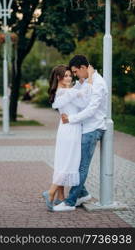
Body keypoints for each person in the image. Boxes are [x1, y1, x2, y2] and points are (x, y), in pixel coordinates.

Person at [53, 55, 108, 212]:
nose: (75, 75)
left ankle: (70, 202)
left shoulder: (99, 83)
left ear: (84, 68)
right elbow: (72, 94)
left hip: (93, 128)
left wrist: (70, 119)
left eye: (76, 72)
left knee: (81, 167)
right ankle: (83, 194)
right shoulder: (84, 81)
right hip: (82, 128)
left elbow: (91, 109)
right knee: (75, 164)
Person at [42, 64, 94, 211]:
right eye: (66, 75)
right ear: (59, 77)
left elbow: (77, 98)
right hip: (71, 130)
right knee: (68, 163)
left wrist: (79, 87)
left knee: (62, 161)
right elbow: (85, 100)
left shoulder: (64, 91)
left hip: (66, 129)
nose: (69, 77)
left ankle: (61, 197)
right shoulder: (66, 92)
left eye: (70, 75)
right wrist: (89, 77)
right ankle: (51, 192)